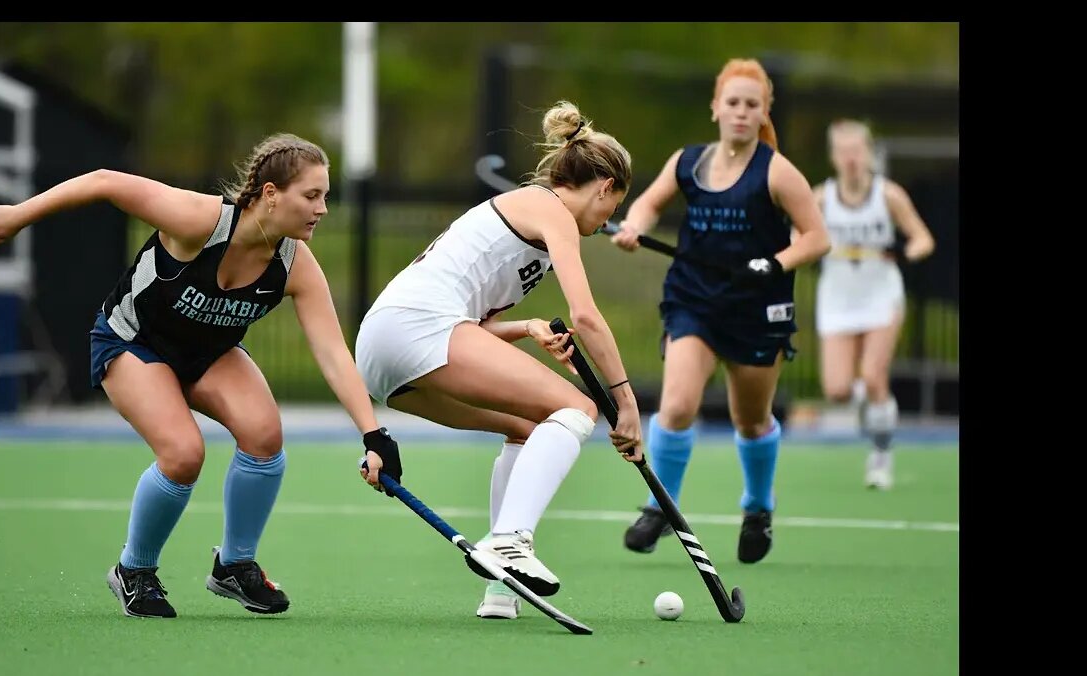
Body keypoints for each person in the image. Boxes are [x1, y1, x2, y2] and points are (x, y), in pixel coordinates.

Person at [0, 133, 403, 619]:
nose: (323, 208)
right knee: (182, 453)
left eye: (325, 196)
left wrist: (374, 434)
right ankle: (134, 571)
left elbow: (332, 354)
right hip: (134, 343)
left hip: (208, 352)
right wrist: (18, 214)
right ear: (270, 194)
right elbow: (105, 181)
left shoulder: (295, 264)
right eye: (312, 195)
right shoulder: (200, 221)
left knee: (264, 435)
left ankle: (234, 566)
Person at [354, 100, 643, 621]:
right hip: (417, 326)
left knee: (528, 427)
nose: (606, 222)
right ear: (604, 187)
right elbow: (588, 317)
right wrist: (627, 402)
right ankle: (510, 540)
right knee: (579, 409)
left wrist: (527, 329)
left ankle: (502, 591)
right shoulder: (550, 209)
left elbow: (475, 328)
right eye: (612, 207)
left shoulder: (531, 217)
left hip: (384, 348)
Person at [608, 59, 830, 563]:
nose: (741, 112)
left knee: (750, 421)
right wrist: (633, 226)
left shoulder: (776, 170)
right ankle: (660, 505)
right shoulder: (688, 161)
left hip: (756, 309)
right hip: (694, 301)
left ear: (763, 112)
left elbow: (817, 237)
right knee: (679, 406)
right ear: (716, 108)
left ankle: (757, 508)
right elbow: (648, 205)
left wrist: (772, 265)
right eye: (733, 102)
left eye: (752, 105)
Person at [811, 119, 935, 490]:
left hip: (881, 296)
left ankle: (881, 455)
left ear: (868, 153)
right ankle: (872, 404)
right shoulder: (820, 198)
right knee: (836, 390)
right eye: (843, 152)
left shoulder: (889, 195)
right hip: (838, 298)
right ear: (834, 157)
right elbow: (799, 236)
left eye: (857, 151)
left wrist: (904, 251)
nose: (851, 159)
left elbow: (923, 239)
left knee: (874, 374)